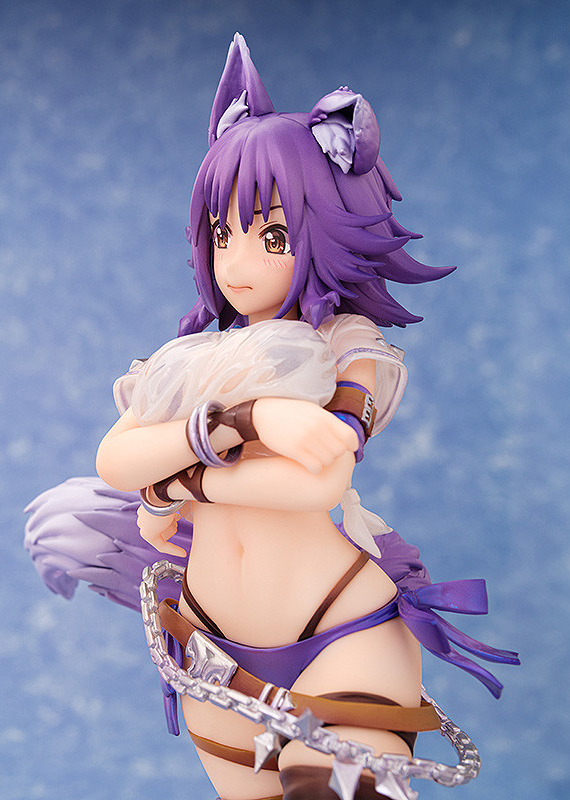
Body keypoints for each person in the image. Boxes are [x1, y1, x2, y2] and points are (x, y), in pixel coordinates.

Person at [94, 35, 518, 800]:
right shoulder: (195, 359)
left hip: (340, 637)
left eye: (272, 236)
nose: (236, 263)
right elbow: (115, 460)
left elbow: (316, 483)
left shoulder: (348, 347)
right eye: (222, 233)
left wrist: (178, 483)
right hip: (213, 650)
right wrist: (248, 422)